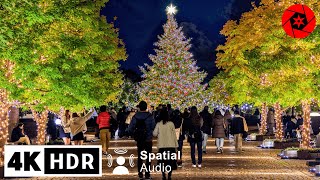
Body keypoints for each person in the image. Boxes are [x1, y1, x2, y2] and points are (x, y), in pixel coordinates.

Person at [127, 101, 155, 180]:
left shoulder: (135, 116)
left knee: (140, 156)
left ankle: (140, 174)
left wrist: (132, 134)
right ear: (146, 107)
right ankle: (147, 174)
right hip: (148, 139)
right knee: (148, 157)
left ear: (139, 107)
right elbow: (153, 126)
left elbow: (131, 128)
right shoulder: (150, 116)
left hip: (139, 139)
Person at [153, 107, 178, 180]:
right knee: (170, 162)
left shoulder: (159, 124)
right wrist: (176, 146)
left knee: (162, 162)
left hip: (162, 146)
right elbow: (174, 135)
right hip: (171, 145)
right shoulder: (171, 124)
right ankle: (169, 175)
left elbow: (154, 134)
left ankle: (163, 175)